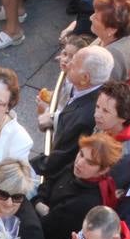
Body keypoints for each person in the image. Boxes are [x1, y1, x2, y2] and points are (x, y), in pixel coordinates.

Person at [36, 46, 113, 185]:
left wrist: (27, 166)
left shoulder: (84, 117)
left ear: (85, 78)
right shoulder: (91, 91)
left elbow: (60, 159)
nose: (69, 63)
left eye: (74, 63)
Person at [35, 132, 122, 239]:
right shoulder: (78, 170)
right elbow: (50, 181)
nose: (80, 163)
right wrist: (39, 200)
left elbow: (46, 226)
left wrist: (38, 203)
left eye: (90, 163)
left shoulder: (86, 201)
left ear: (103, 170)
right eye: (81, 154)